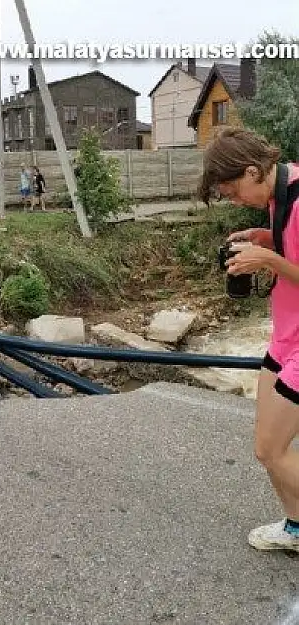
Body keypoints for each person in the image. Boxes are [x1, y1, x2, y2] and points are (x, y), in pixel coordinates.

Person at [207, 128, 299, 553]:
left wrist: (270, 259)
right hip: (285, 336)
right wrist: (269, 240)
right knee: (267, 448)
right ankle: (296, 529)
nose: (235, 201)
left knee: (271, 449)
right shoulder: (278, 197)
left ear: (252, 170)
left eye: (233, 192)